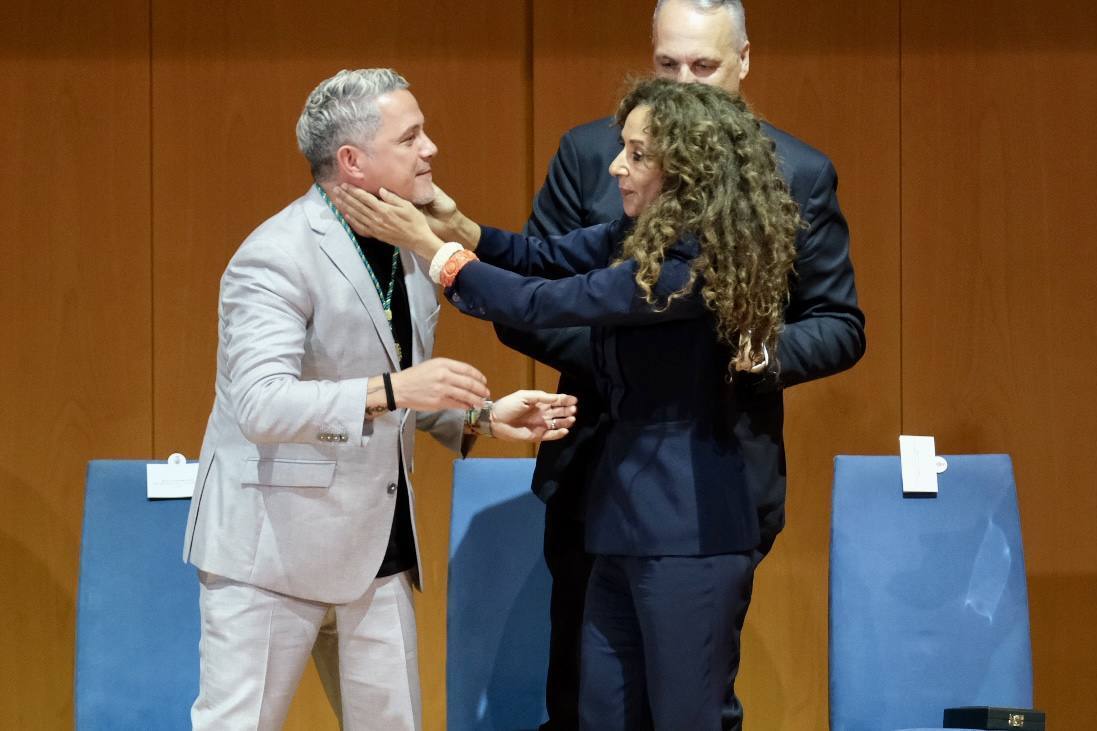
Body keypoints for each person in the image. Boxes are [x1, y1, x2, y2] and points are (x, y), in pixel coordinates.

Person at [335, 76, 839, 730]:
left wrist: (435, 252)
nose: (614, 166)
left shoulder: (693, 264)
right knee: (598, 714)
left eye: (634, 154)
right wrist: (456, 226)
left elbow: (538, 303)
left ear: (681, 167)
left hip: (687, 531)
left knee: (686, 717)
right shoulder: (639, 233)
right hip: (620, 523)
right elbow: (537, 257)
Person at [498, 1, 866, 728]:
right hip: (594, 463)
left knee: (691, 706)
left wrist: (754, 353)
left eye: (704, 66)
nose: (685, 83)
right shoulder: (589, 155)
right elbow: (528, 301)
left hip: (718, 472)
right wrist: (638, 356)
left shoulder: (797, 171)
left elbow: (838, 324)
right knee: (582, 698)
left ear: (744, 62)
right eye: (668, 66)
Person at [181, 68, 577, 731]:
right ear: (352, 161)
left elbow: (393, 389)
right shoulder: (274, 256)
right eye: (412, 136)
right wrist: (395, 388)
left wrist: (478, 415)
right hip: (268, 548)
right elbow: (259, 403)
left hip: (376, 544)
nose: (431, 150)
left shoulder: (411, 247)